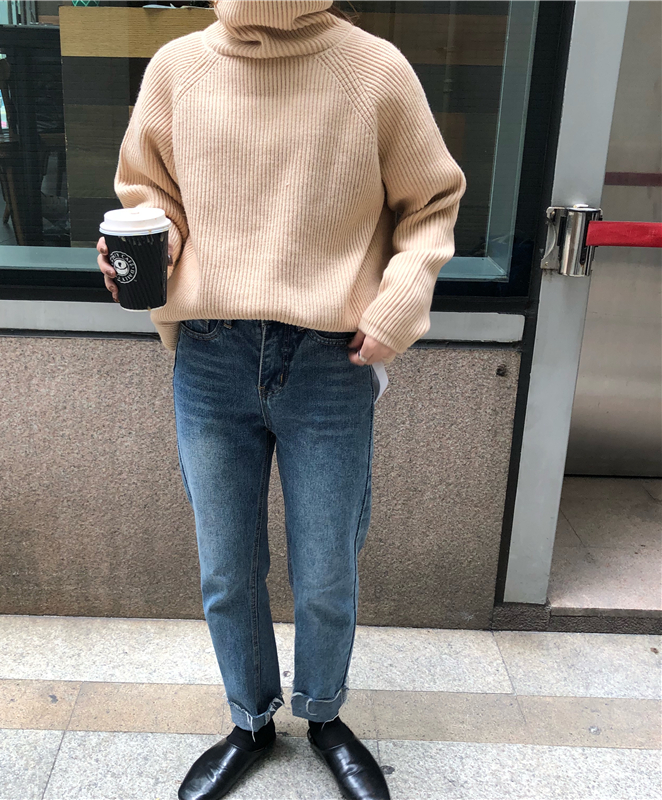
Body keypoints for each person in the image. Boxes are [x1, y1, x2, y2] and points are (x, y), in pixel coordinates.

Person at [96, 2, 466, 798]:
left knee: (327, 569)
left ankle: (325, 715)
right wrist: (147, 245)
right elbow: (151, 195)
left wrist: (398, 301)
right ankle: (251, 720)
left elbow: (431, 203)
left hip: (329, 358)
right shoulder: (179, 69)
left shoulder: (373, 71)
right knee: (227, 567)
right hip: (211, 353)